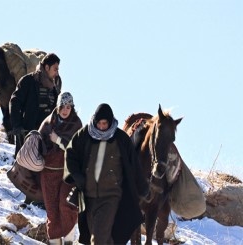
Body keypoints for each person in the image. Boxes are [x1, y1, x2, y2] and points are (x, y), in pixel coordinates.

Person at [63, 103, 152, 244]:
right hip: (88, 197)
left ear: (110, 122)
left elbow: (134, 165)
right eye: (99, 123)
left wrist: (143, 188)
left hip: (111, 197)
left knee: (98, 238)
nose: (101, 126)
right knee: (100, 237)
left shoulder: (121, 139)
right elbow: (70, 153)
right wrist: (77, 176)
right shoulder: (85, 134)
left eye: (105, 123)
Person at [38, 92, 82, 245]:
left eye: (68, 107)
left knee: (67, 204)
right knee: (52, 211)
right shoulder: (48, 123)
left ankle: (69, 240)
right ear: (57, 107)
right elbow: (39, 143)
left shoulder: (76, 125)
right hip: (48, 173)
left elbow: (77, 148)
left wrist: (58, 140)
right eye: (62, 106)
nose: (65, 110)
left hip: (68, 173)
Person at [9, 53, 61, 157]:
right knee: (23, 169)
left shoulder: (54, 88)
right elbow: (15, 102)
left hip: (45, 139)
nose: (57, 73)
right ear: (47, 67)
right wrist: (17, 126)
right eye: (55, 69)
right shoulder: (28, 81)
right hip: (27, 135)